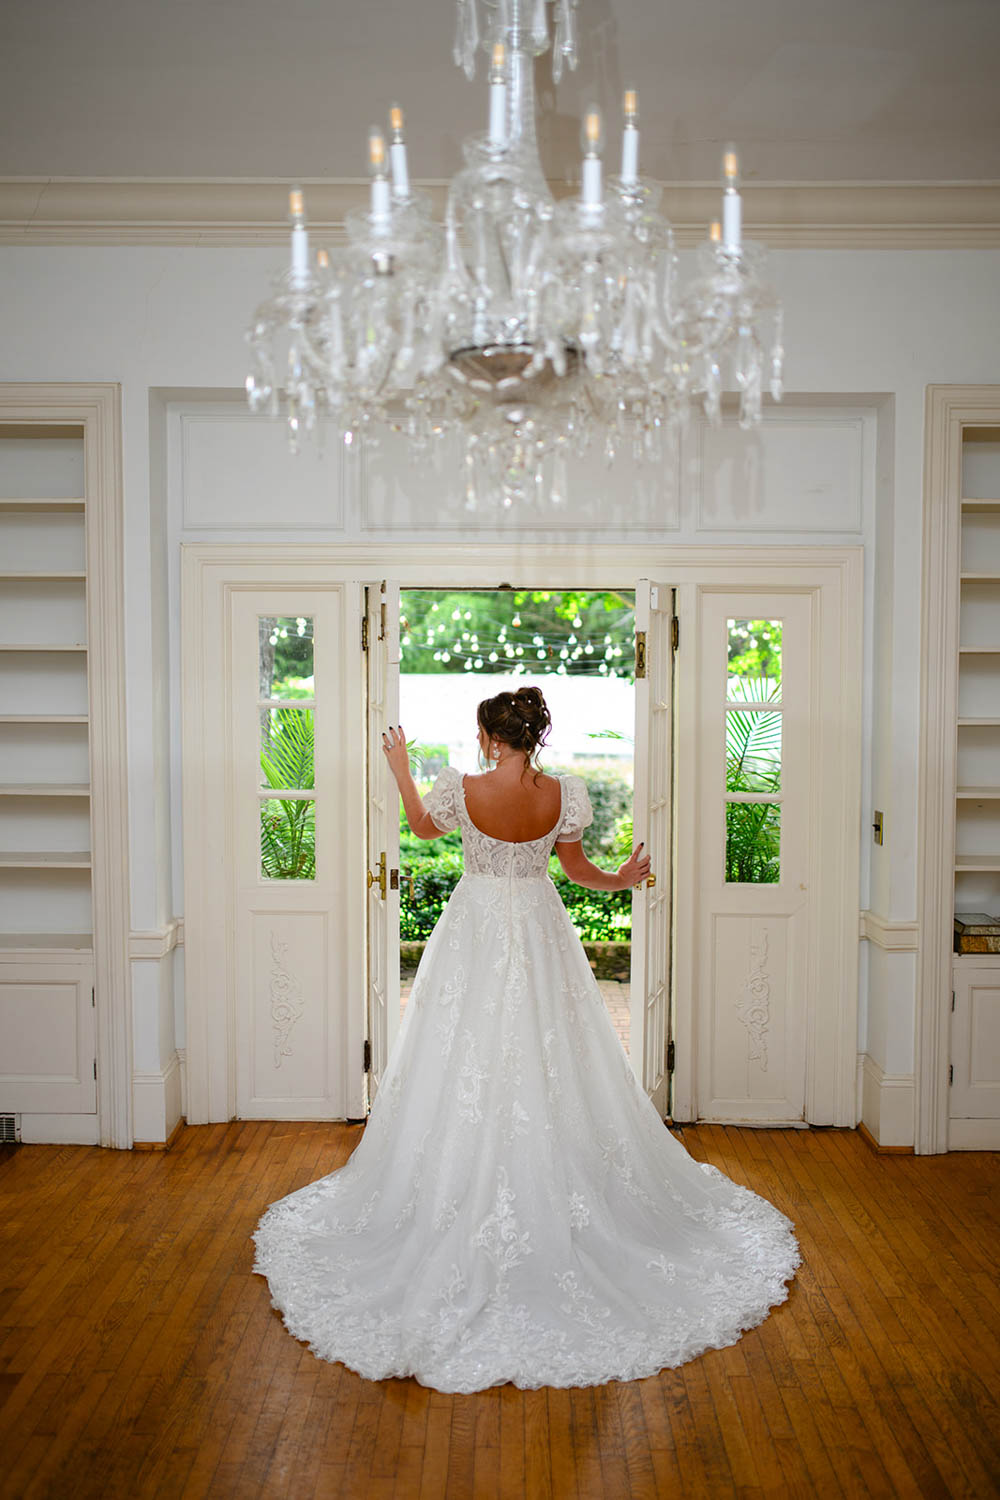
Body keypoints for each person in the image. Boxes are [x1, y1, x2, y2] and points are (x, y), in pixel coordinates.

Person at [252, 685, 800, 1392]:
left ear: (489, 737)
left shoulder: (462, 787)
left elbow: (421, 829)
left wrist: (398, 764)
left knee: (462, 1056)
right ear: (533, 735)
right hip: (539, 928)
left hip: (476, 928)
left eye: (482, 732)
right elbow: (575, 872)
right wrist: (624, 878)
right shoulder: (563, 796)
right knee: (553, 1056)